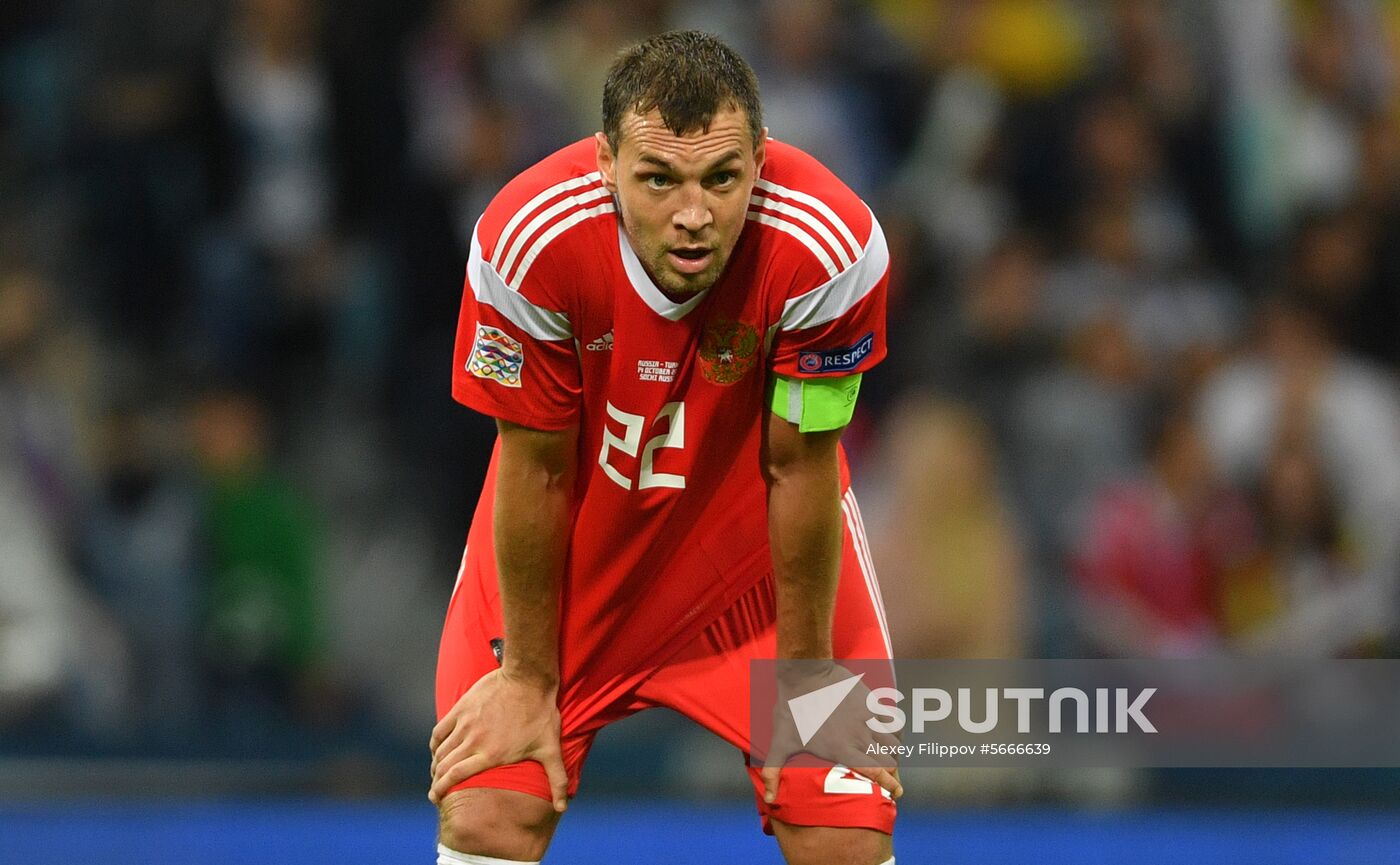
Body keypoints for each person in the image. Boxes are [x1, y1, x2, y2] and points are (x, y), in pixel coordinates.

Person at [429, 30, 897, 865]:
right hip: (578, 553)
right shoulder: (524, 242)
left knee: (840, 830)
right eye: (659, 179)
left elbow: (801, 464)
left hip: (751, 556)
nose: (693, 215)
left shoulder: (832, 250)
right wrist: (530, 678)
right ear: (606, 162)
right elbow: (533, 469)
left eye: (723, 179)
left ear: (761, 157)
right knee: (491, 809)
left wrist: (809, 675)